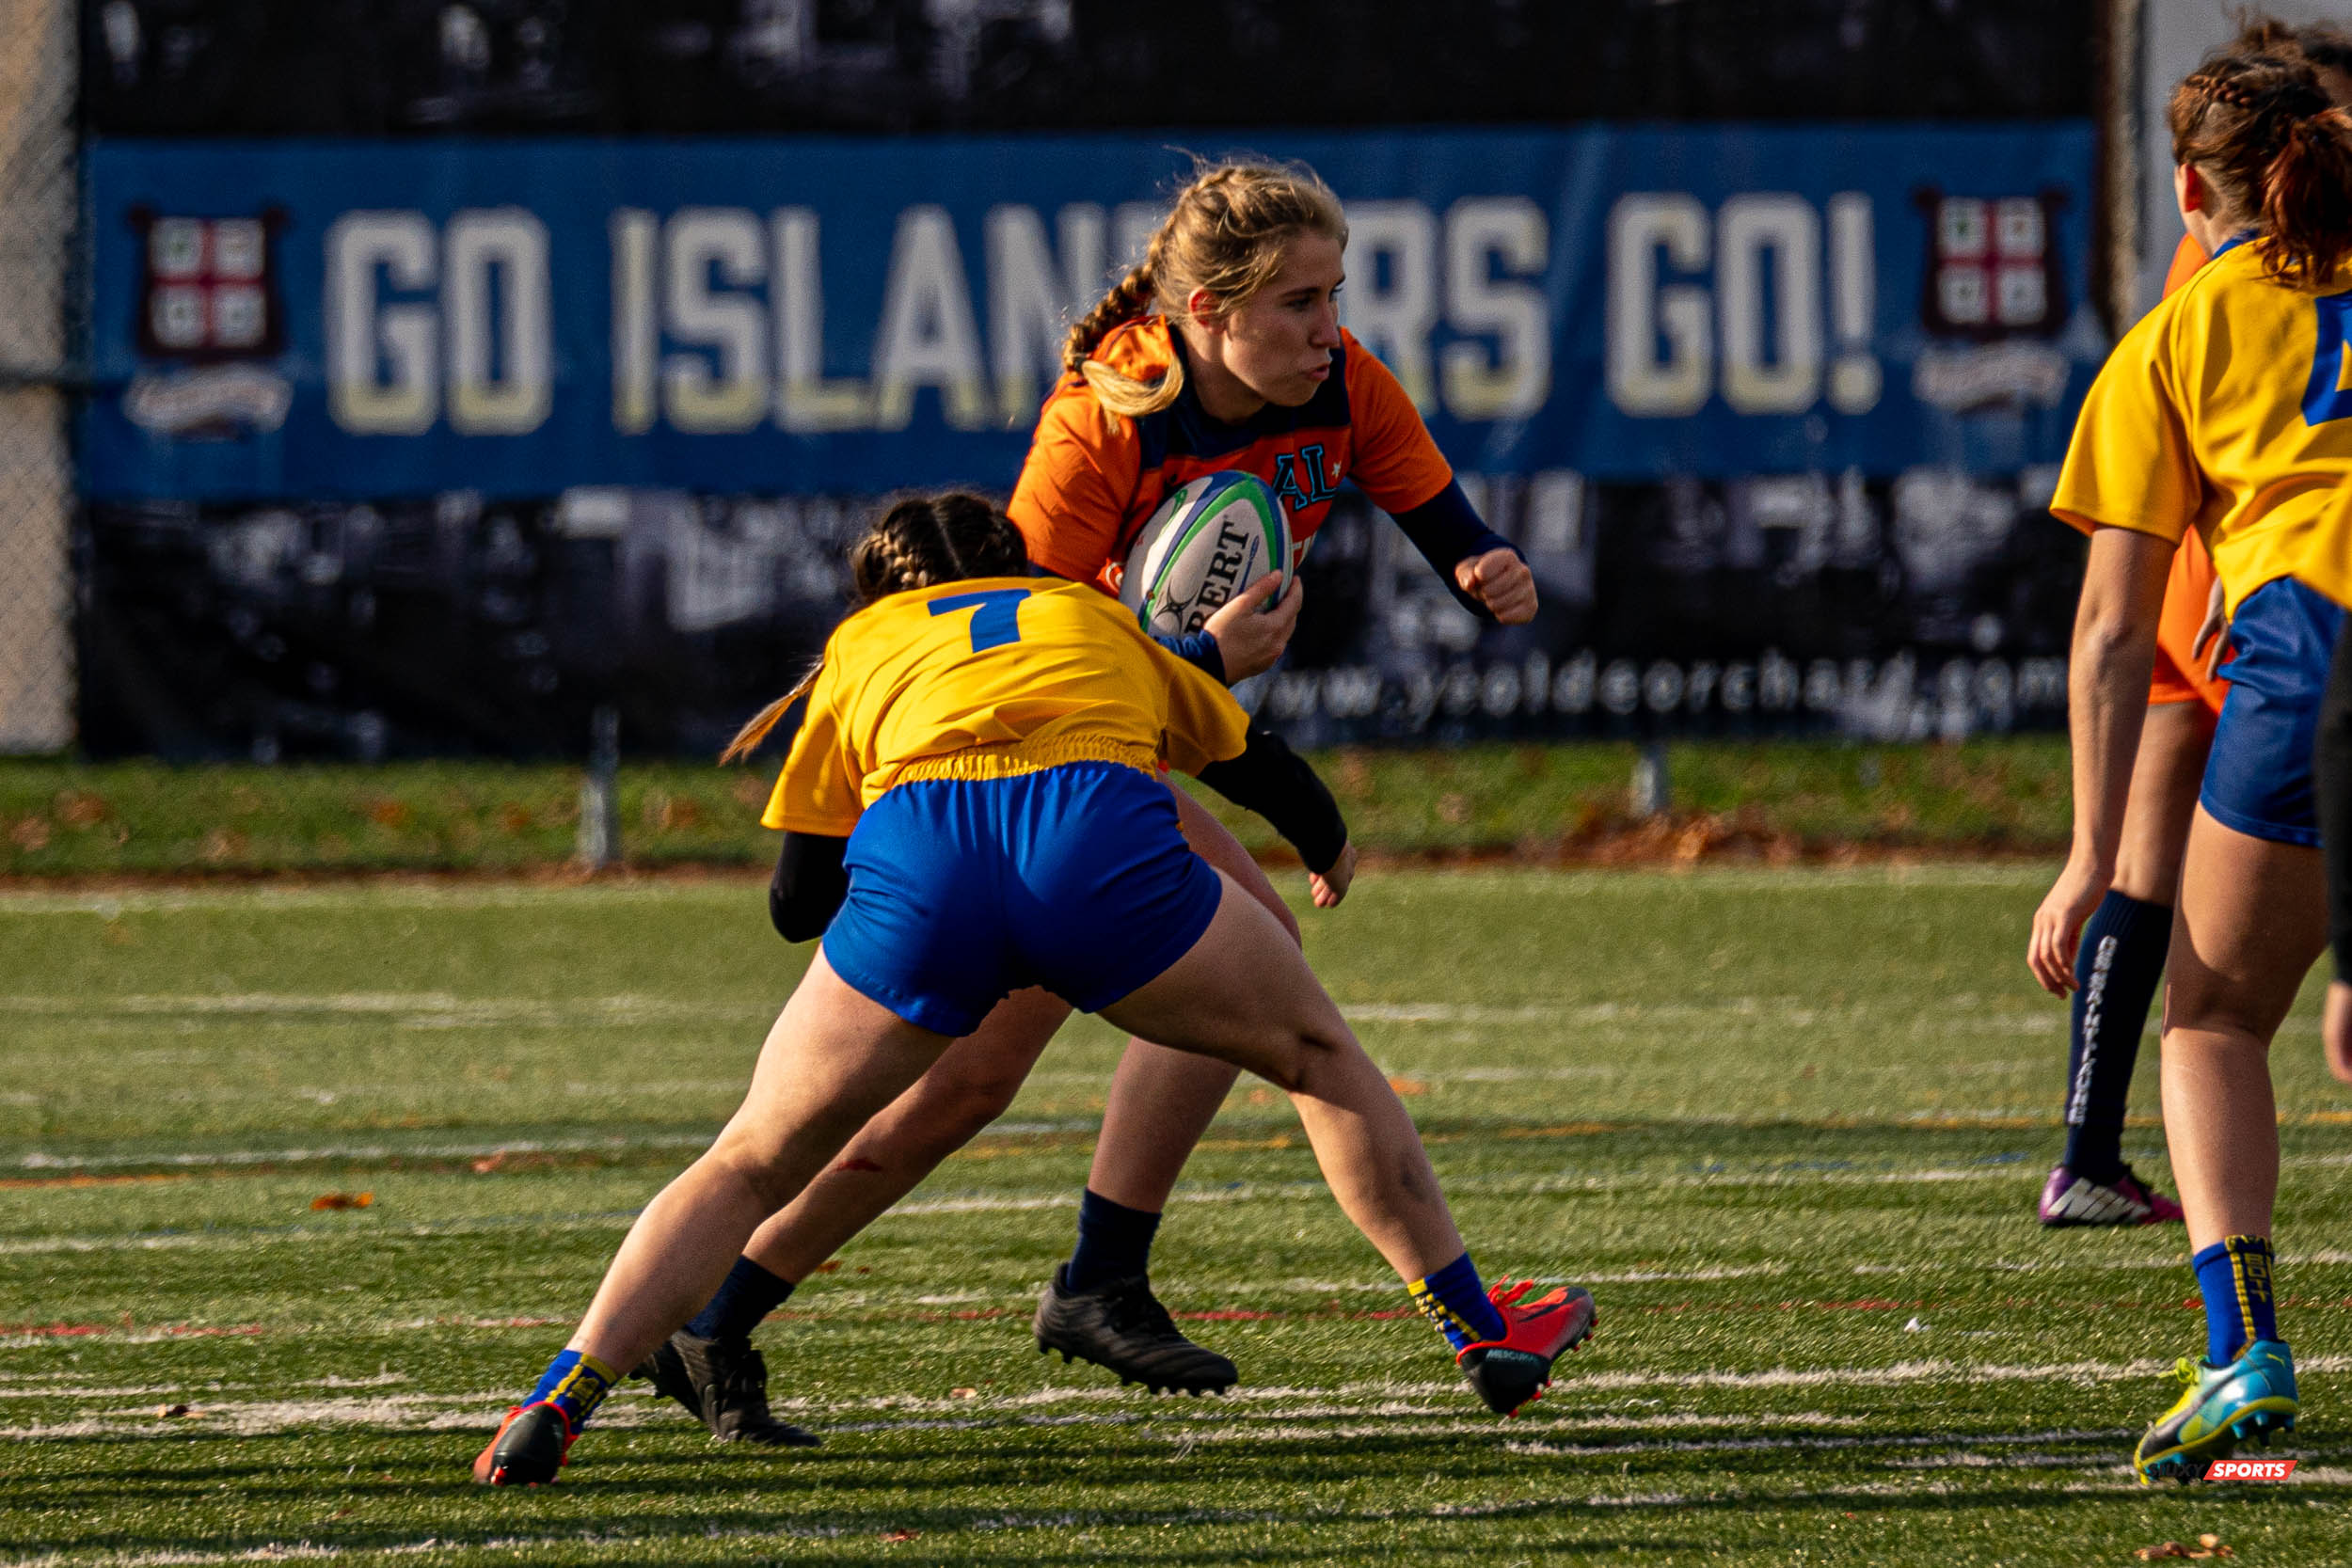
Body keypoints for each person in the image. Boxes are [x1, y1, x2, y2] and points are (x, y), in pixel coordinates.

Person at [639, 158, 1540, 1442]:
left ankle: (844, 1301)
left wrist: (1484, 563)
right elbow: (1038, 668)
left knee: (991, 1075)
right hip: (1036, 772)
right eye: (1298, 301)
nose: (1328, 328)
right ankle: (1047, 1280)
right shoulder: (1104, 420)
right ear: (1206, 311)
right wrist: (1208, 665)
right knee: (1023, 1060)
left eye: (1335, 295)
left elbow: (1442, 519)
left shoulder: (1343, 380)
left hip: (1106, 762)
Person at [473, 495, 1595, 1486]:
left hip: (925, 860)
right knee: (1315, 1057)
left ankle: (556, 1400)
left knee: (749, 1159)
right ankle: (1478, 1329)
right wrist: (1328, 841)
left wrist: (916, 900)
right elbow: (1256, 762)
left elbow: (794, 901)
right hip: (1091, 843)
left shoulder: (861, 645)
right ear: (1019, 562)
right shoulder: (1085, 612)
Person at [2028, 43, 2352, 1482]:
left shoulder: (2178, 333)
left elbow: (2112, 630)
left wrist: (2090, 855)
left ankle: (2243, 1347)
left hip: (2310, 680)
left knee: (2214, 1019)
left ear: (2184, 190)